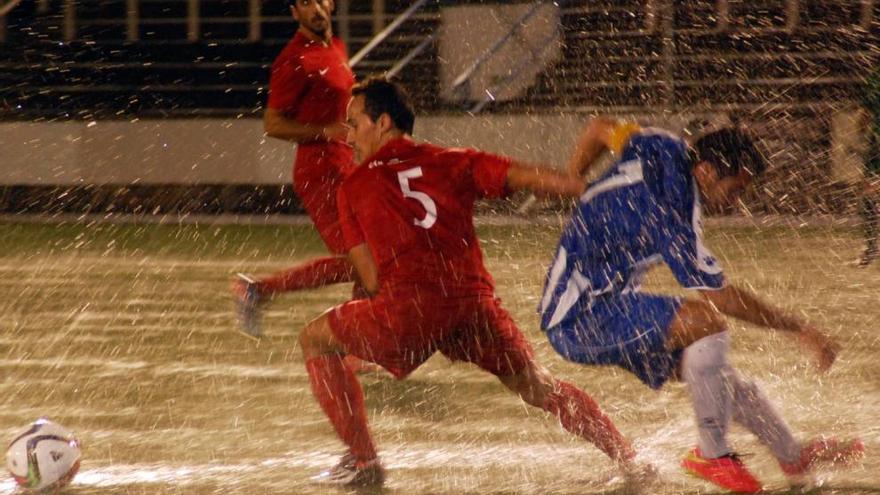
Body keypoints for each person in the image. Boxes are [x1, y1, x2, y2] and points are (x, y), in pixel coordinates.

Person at [298, 77, 650, 487]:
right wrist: (591, 189)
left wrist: (405, 326)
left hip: (407, 308)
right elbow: (528, 177)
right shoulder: (452, 160)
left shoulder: (354, 185)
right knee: (539, 386)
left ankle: (363, 461)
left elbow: (371, 278)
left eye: (354, 123)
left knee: (314, 338)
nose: (348, 135)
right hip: (471, 303)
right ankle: (628, 458)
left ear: (383, 123)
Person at [539, 117, 864, 493]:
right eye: (736, 189)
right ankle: (712, 455)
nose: (737, 202)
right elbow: (722, 298)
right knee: (708, 321)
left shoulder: (662, 145)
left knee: (713, 371)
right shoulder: (676, 216)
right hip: (580, 317)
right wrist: (801, 330)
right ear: (707, 171)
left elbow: (599, 127)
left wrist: (573, 181)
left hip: (602, 307)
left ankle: (791, 455)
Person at [232, 0, 357, 338]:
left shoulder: (337, 46)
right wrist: (324, 132)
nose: (314, 8)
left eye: (319, 0)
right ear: (294, 12)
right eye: (304, 3)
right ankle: (259, 289)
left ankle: (362, 344)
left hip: (347, 166)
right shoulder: (293, 59)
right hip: (320, 170)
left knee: (369, 259)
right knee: (360, 260)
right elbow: (272, 124)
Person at [857, 65, 880, 267]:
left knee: (869, 195)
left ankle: (872, 245)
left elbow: (864, 116)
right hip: (876, 146)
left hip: (877, 145)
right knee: (869, 195)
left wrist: (860, 131)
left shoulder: (876, 77)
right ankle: (872, 246)